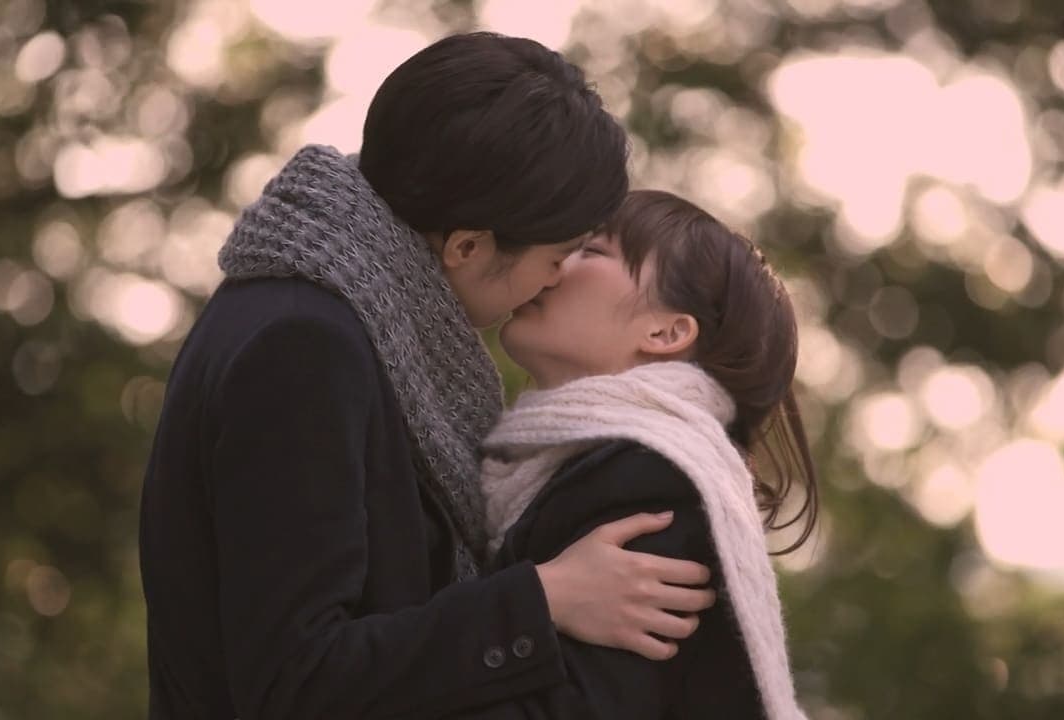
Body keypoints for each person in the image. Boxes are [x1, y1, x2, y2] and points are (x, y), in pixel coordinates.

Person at [138, 34, 716, 719]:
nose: (556, 280)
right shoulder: (304, 345)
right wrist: (542, 598)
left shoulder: (325, 311)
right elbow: (293, 682)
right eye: (556, 256)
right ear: (467, 245)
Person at [465, 189, 821, 719]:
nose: (556, 262)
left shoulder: (650, 482)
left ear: (665, 332)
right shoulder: (590, 465)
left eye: (592, 251)